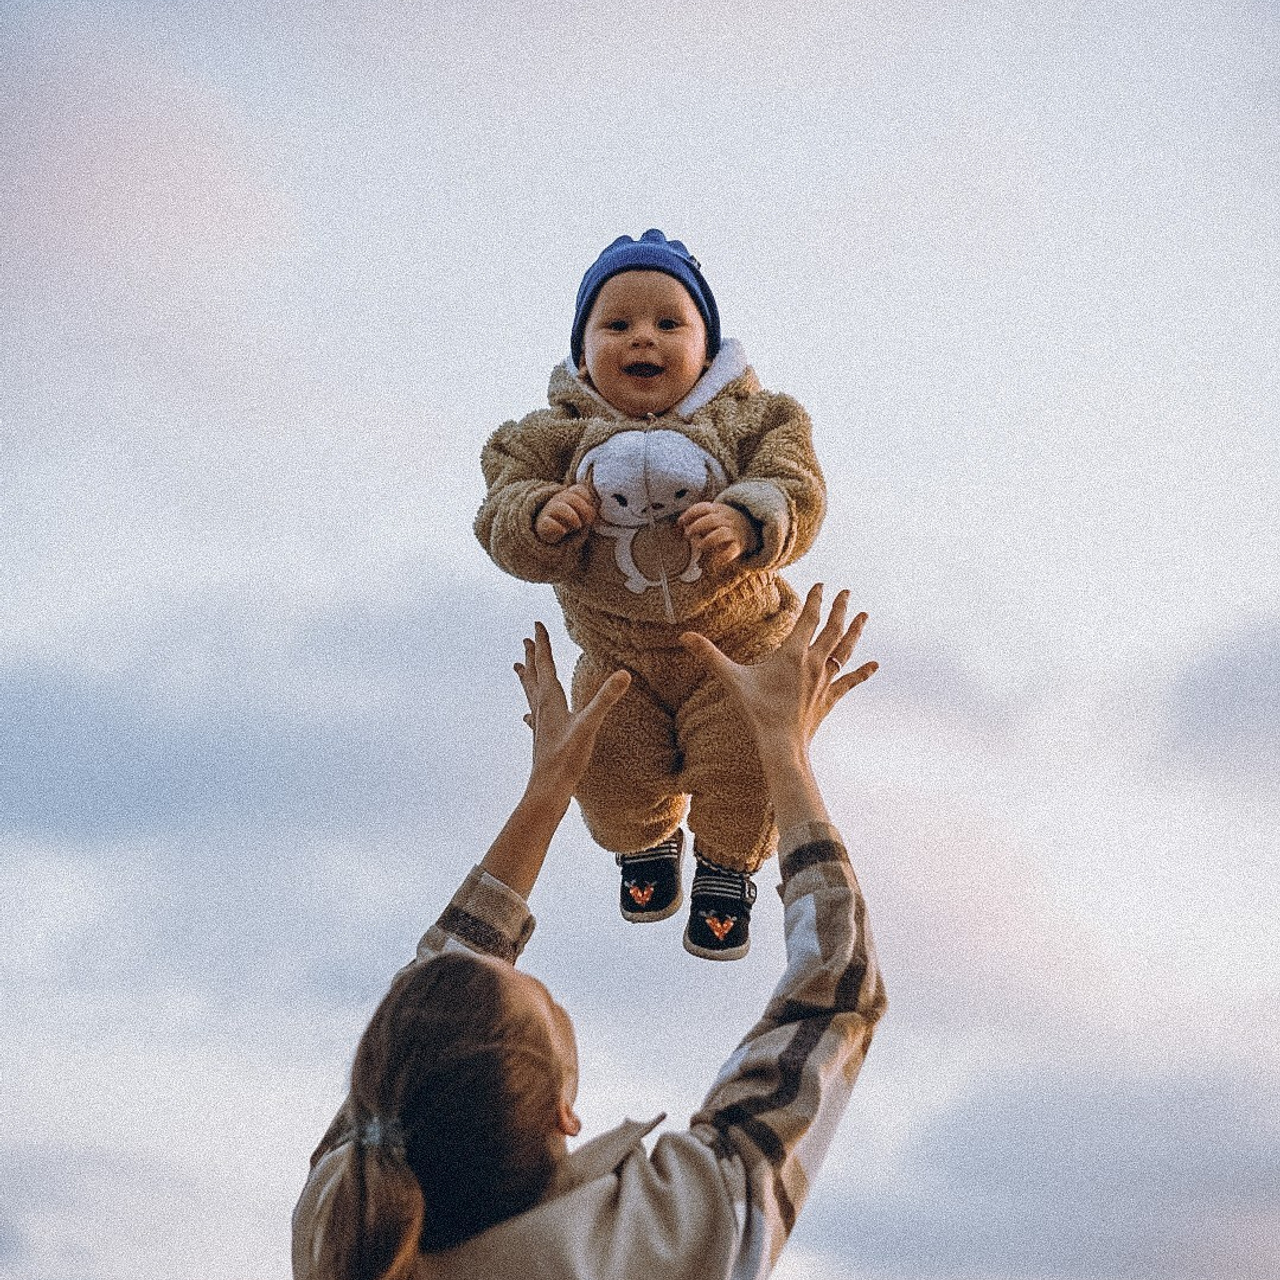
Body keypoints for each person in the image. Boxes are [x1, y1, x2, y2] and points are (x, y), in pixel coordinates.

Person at [292, 584, 885, 1280]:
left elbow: (834, 996)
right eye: (546, 1000)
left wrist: (547, 792)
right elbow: (834, 995)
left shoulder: (345, 1230)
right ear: (563, 1114)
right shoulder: (653, 1241)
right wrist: (785, 752)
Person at [475, 229, 826, 959]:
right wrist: (542, 515)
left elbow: (797, 485)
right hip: (618, 654)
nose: (645, 338)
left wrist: (747, 514)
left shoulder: (753, 418)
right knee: (605, 769)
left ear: (708, 347)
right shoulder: (550, 436)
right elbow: (499, 508)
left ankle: (727, 869)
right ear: (583, 356)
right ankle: (643, 846)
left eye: (670, 323)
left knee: (747, 758)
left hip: (733, 641)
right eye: (618, 324)